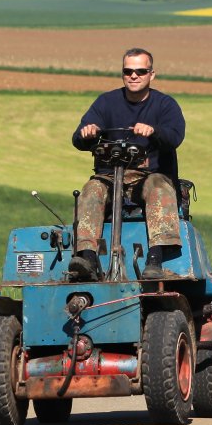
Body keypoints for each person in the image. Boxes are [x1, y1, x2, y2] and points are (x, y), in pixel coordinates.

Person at [67, 48, 186, 281]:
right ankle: (87, 259)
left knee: (158, 188)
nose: (134, 76)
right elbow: (78, 139)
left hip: (149, 176)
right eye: (128, 71)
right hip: (111, 177)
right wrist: (87, 133)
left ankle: (155, 259)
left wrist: (154, 132)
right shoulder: (105, 103)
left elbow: (175, 137)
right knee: (91, 190)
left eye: (140, 71)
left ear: (152, 74)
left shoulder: (165, 105)